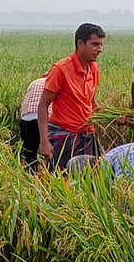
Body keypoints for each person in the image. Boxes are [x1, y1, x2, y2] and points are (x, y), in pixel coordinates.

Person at [39, 23, 105, 171]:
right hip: (65, 134)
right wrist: (44, 141)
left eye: (101, 45)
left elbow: (92, 102)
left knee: (96, 174)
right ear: (80, 43)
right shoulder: (61, 70)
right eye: (95, 44)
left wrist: (112, 116)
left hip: (87, 134)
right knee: (62, 179)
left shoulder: (94, 69)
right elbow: (43, 105)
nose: (99, 49)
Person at [18, 75, 49, 172]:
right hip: (45, 118)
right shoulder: (52, 83)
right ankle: (48, 175)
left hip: (27, 118)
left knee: (29, 153)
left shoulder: (33, 83)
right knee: (50, 151)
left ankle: (30, 174)